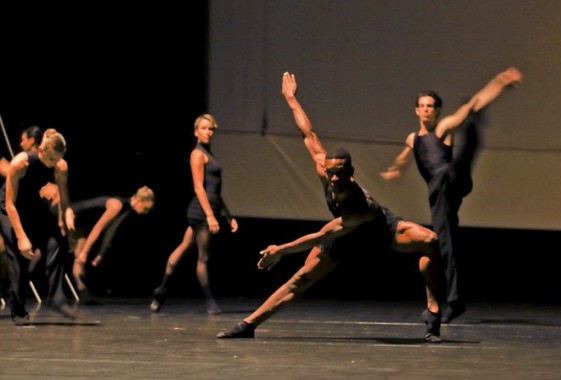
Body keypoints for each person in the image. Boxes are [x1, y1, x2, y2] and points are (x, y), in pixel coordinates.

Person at [217, 72, 444, 342]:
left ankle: (433, 310)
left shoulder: (362, 206)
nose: (334, 178)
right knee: (300, 280)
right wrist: (291, 99)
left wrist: (281, 250)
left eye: (340, 173)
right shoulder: (324, 168)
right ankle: (249, 325)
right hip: (345, 240)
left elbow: (322, 234)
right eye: (330, 172)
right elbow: (308, 132)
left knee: (430, 240)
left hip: (380, 233)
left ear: (351, 173)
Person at [379, 67, 523, 323]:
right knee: (446, 246)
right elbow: (406, 155)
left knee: (467, 127)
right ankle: (456, 301)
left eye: (430, 106)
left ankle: (455, 301)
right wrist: (396, 170)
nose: (426, 109)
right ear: (416, 110)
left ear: (437, 111)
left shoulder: (443, 127)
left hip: (452, 180)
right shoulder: (413, 138)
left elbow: (475, 102)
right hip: (441, 195)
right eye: (422, 106)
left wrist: (500, 82)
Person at [150, 113, 238, 315]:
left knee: (182, 248)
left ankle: (161, 290)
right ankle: (210, 302)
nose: (208, 132)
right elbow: (199, 187)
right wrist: (209, 216)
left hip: (211, 208)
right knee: (203, 257)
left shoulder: (209, 153)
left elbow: (215, 191)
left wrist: (228, 215)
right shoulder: (197, 154)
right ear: (196, 132)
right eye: (204, 128)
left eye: (211, 129)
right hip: (201, 210)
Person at [0, 128, 76, 323]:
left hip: (31, 204)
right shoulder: (21, 163)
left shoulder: (60, 166)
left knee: (54, 241)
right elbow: (9, 203)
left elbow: (64, 197)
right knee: (18, 254)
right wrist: (21, 236)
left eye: (58, 159)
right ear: (41, 150)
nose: (55, 164)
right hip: (9, 207)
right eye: (51, 160)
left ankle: (57, 298)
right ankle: (17, 309)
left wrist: (67, 213)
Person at [67, 186, 155, 304]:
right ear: (139, 201)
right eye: (145, 208)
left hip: (82, 223)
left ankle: (84, 294)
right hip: (72, 215)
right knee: (79, 254)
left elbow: (111, 230)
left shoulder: (126, 208)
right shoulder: (117, 205)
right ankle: (83, 294)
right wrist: (85, 252)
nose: (145, 212)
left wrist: (101, 253)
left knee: (79, 256)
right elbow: (98, 227)